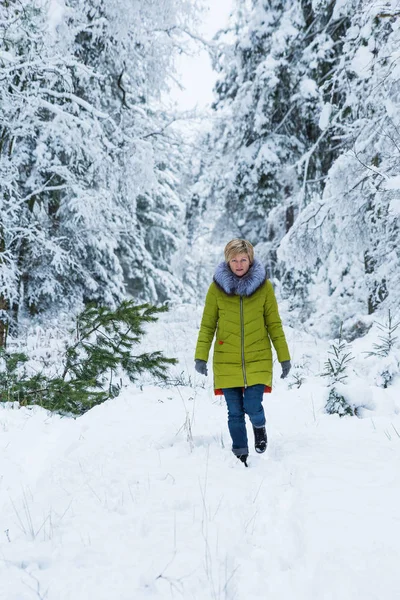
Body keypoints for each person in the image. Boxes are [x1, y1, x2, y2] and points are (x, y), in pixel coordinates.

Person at [194, 239, 291, 467]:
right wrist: (200, 356)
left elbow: (274, 324)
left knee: (252, 405)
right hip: (226, 360)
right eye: (234, 260)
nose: (239, 265)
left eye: (243, 260)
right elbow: (208, 325)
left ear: (250, 260)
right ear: (228, 261)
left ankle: (259, 426)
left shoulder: (264, 288)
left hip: (258, 358)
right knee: (234, 411)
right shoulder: (216, 289)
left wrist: (284, 357)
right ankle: (240, 455)